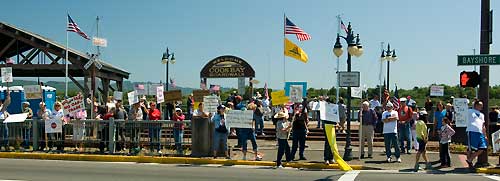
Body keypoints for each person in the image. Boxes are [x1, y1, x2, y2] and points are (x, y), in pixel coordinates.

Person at [466, 100, 487, 170]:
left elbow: (483, 126)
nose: (481, 106)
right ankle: (470, 163)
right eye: (480, 105)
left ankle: (470, 159)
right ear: (475, 105)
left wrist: (485, 135)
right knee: (471, 148)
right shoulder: (470, 111)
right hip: (472, 131)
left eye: (482, 105)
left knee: (482, 148)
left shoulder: (482, 115)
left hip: (480, 133)